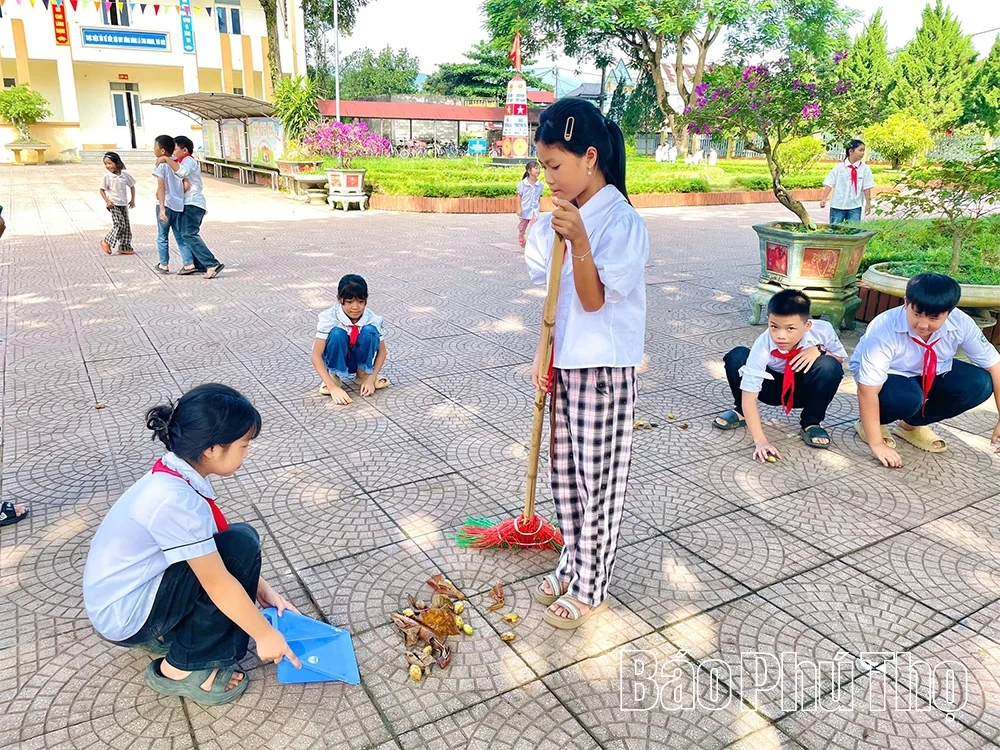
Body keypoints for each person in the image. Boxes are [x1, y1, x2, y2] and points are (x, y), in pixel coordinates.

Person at [82, 384, 301, 705]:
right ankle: (181, 669)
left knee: (235, 545)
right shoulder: (175, 501)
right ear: (213, 449)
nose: (247, 453)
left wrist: (261, 589)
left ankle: (169, 632)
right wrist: (265, 635)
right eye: (243, 445)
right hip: (126, 616)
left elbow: (211, 546)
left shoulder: (174, 471)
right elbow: (218, 580)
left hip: (121, 600)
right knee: (240, 545)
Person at [525, 98, 649, 630]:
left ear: (590, 157)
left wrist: (578, 240)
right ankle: (572, 563)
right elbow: (555, 302)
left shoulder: (619, 222)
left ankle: (593, 585)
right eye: (544, 166)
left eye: (555, 166)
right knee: (567, 479)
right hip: (568, 363)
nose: (547, 176)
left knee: (598, 482)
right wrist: (542, 349)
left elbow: (594, 300)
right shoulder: (561, 212)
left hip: (604, 371)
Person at [850, 273, 1000, 468]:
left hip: (932, 370)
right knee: (908, 398)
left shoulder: (961, 323)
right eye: (917, 314)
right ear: (906, 302)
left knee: (980, 384)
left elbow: (995, 366)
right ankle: (872, 423)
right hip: (891, 374)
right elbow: (867, 390)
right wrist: (877, 444)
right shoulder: (884, 327)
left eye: (933, 318)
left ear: (949, 312)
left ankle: (911, 425)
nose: (922, 324)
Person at [716, 290, 847, 457]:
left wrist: (819, 350)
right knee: (737, 356)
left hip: (802, 389)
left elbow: (840, 358)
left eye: (790, 328)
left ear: (807, 326)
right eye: (774, 327)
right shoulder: (763, 345)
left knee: (830, 366)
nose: (780, 336)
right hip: (770, 388)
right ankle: (741, 412)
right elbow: (750, 396)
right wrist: (761, 441)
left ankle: (811, 423)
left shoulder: (823, 330)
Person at [310, 274, 389, 406]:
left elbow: (382, 351)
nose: (355, 307)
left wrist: (372, 378)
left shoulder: (372, 318)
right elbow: (315, 355)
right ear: (339, 299)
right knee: (336, 334)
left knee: (370, 332)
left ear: (366, 301)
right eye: (349, 302)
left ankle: (363, 375)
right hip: (337, 359)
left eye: (360, 302)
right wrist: (333, 388)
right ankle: (333, 377)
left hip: (358, 360)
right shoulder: (329, 317)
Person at [157, 136, 224, 279]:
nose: (173, 153)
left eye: (175, 149)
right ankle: (199, 264)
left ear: (185, 150)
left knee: (188, 234)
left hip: (193, 203)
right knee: (184, 234)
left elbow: (182, 172)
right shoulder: (179, 162)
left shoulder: (189, 161)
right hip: (186, 203)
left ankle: (212, 263)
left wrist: (166, 159)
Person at [151, 134, 198, 276]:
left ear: (163, 151)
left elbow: (161, 188)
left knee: (162, 236)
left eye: (155, 147)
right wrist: (178, 195)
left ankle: (164, 264)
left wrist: (162, 208)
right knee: (180, 236)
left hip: (165, 204)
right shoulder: (178, 164)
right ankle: (188, 264)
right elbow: (187, 184)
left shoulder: (162, 166)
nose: (154, 150)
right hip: (178, 206)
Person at [820, 139, 875, 225]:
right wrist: (824, 198)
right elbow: (830, 183)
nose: (863, 153)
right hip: (837, 205)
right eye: (860, 150)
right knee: (835, 229)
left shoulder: (865, 169)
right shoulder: (839, 168)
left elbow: (866, 187)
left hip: (855, 206)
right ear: (851, 151)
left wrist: (868, 204)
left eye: (864, 150)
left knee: (854, 229)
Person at [99, 151, 136, 255]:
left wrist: (132, 200)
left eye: (110, 163)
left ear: (117, 162)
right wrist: (107, 201)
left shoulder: (124, 175)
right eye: (106, 164)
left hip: (123, 204)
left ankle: (124, 246)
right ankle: (106, 241)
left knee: (126, 227)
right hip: (113, 204)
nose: (108, 166)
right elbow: (102, 190)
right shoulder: (107, 177)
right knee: (119, 225)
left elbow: (132, 186)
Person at [516, 160, 543, 249]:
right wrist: (519, 208)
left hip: (534, 210)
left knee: (534, 226)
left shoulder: (540, 185)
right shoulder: (522, 184)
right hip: (525, 209)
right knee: (522, 227)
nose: (538, 170)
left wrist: (538, 208)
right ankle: (521, 235)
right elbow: (519, 196)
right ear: (529, 171)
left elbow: (538, 197)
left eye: (539, 168)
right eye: (535, 168)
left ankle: (533, 244)